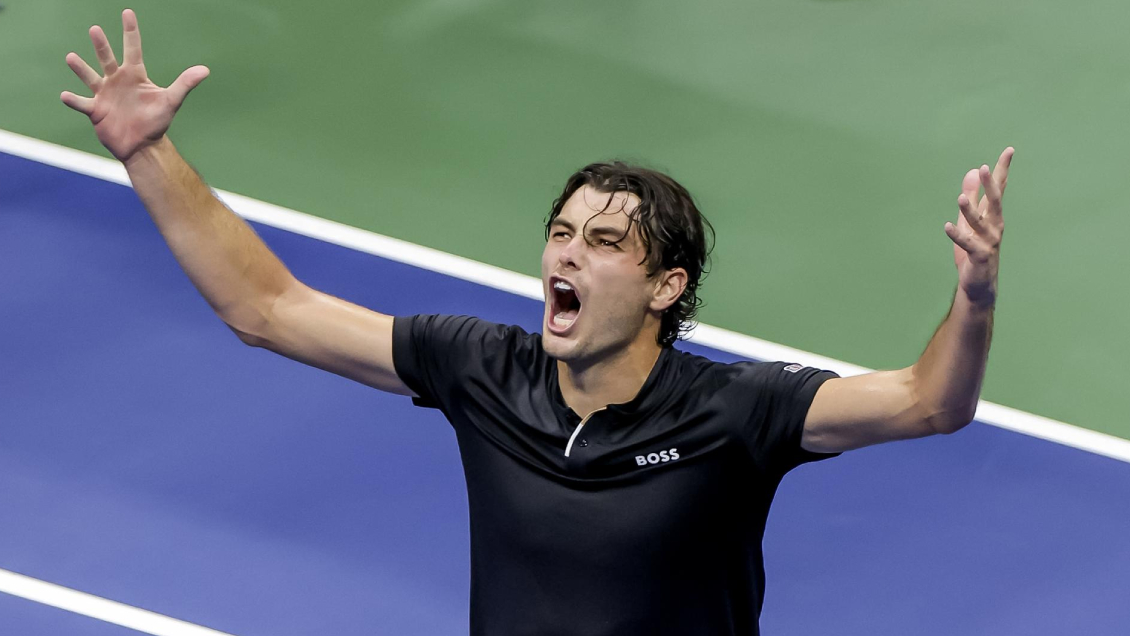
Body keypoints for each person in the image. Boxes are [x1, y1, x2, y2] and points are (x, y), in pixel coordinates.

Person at [61, 10, 1013, 636]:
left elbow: (930, 403)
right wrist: (148, 154)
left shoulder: (736, 410)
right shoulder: (482, 368)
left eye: (603, 243)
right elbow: (269, 309)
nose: (567, 255)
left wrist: (973, 298)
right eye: (561, 233)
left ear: (666, 287)